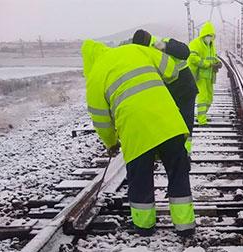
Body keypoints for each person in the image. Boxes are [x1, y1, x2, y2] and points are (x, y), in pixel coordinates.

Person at [81, 39, 196, 236]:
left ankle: (144, 227)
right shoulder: (135, 50)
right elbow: (171, 69)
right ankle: (185, 226)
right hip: (168, 121)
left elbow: (101, 120)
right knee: (178, 171)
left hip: (135, 131)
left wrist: (111, 142)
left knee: (140, 177)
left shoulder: (95, 76)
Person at [131, 29, 198, 154]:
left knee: (185, 124)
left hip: (185, 90)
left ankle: (185, 153)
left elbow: (185, 52)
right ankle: (170, 152)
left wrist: (166, 47)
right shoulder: (143, 52)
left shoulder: (164, 42)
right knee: (168, 125)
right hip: (168, 93)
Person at [188, 21, 221, 125]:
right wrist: (208, 64)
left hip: (209, 76)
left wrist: (217, 62)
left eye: (211, 36)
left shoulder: (211, 45)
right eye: (208, 35)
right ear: (203, 35)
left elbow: (212, 57)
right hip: (199, 75)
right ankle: (202, 120)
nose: (209, 37)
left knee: (210, 98)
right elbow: (193, 58)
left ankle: (201, 115)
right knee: (203, 98)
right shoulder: (195, 44)